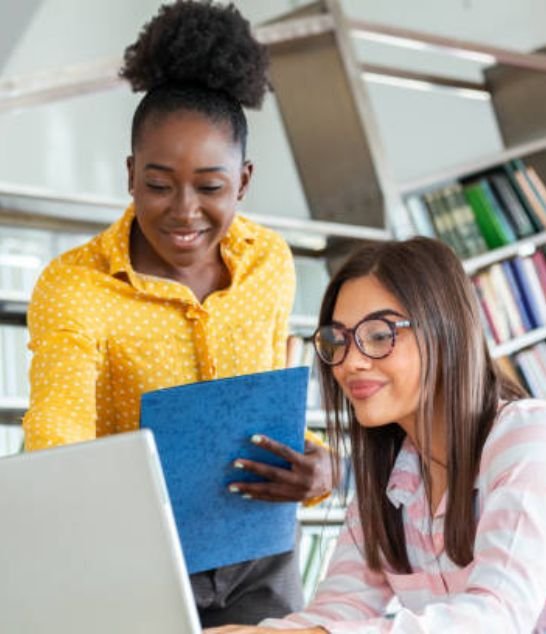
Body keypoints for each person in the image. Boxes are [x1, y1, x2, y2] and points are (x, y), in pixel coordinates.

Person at [22, 0, 332, 627]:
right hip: (138, 562)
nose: (184, 211)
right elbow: (58, 432)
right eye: (159, 184)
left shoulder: (269, 262)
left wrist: (320, 463)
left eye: (210, 187)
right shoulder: (76, 285)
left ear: (244, 181)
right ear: (130, 174)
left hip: (260, 555)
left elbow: (268, 402)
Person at [205, 236, 546, 634]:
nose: (351, 363)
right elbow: (339, 609)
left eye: (380, 335)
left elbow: (498, 618)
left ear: (446, 331)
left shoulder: (527, 438)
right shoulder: (391, 477)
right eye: (337, 341)